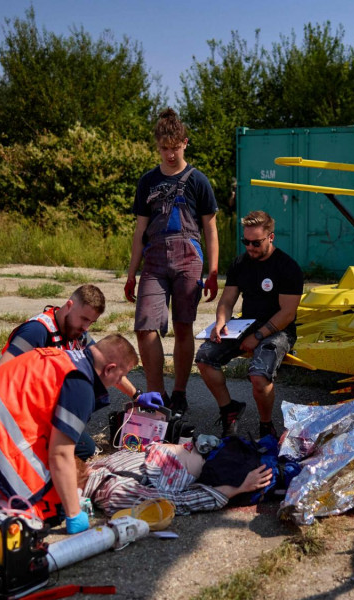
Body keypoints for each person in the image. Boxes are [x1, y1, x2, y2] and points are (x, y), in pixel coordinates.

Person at [0, 334, 139, 534]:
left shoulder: (64, 357)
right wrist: (74, 514)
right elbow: (60, 455)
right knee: (47, 508)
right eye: (121, 376)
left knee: (41, 483)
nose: (118, 382)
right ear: (110, 368)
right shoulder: (80, 385)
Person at [124, 108, 219, 416]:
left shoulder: (198, 180)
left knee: (182, 327)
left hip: (189, 259)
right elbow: (140, 230)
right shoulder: (147, 182)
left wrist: (214, 271)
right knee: (145, 327)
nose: (169, 154)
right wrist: (130, 274)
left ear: (185, 143)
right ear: (157, 146)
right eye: (163, 148)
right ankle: (157, 394)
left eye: (174, 148)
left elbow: (210, 228)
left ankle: (179, 392)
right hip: (153, 260)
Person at [196, 211, 303, 439]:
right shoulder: (240, 263)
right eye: (246, 242)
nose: (250, 248)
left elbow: (287, 313)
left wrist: (259, 335)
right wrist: (220, 322)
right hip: (246, 324)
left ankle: (266, 426)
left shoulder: (287, 267)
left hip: (279, 329)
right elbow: (226, 301)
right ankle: (229, 410)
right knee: (205, 357)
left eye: (256, 243)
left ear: (271, 237)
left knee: (258, 375)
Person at [0, 283, 159, 411]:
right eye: (83, 319)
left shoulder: (78, 334)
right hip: (13, 404)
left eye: (91, 322)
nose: (86, 327)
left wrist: (137, 396)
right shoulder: (37, 331)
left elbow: (104, 365)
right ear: (69, 306)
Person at [79, 441, 273, 515]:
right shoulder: (115, 491)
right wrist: (239, 488)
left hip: (206, 448)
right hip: (221, 467)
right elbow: (179, 502)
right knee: (281, 465)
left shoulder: (95, 467)